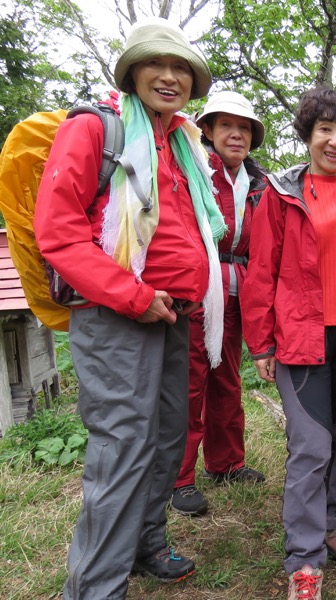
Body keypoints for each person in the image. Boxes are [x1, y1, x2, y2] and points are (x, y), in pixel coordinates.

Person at [34, 17, 224, 598]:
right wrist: (135, 296)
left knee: (168, 436)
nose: (169, 77)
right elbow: (59, 234)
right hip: (117, 315)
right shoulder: (96, 130)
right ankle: (94, 587)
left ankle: (145, 544)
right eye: (156, 65)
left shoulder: (183, 141)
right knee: (122, 448)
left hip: (174, 315)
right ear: (132, 72)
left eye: (181, 69)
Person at [240, 87, 336, 600]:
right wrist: (261, 343)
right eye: (325, 130)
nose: (335, 141)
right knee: (310, 449)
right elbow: (260, 270)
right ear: (308, 136)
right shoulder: (280, 194)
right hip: (302, 336)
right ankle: (304, 557)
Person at [170, 91, 268, 517]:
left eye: (244, 127)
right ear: (206, 130)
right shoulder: (191, 169)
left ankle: (226, 463)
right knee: (189, 384)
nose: (236, 135)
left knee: (227, 377)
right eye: (226, 125)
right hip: (196, 289)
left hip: (235, 289)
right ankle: (179, 478)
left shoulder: (257, 181)